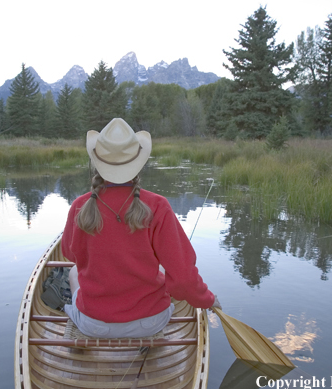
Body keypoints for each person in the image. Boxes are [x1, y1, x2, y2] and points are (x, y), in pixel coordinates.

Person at [61, 118, 221, 338]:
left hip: (93, 324)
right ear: (138, 162)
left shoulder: (80, 206)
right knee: (164, 270)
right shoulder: (157, 206)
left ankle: (80, 327)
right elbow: (183, 279)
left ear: (97, 161)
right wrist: (208, 300)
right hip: (151, 323)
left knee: (72, 271)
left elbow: (70, 254)